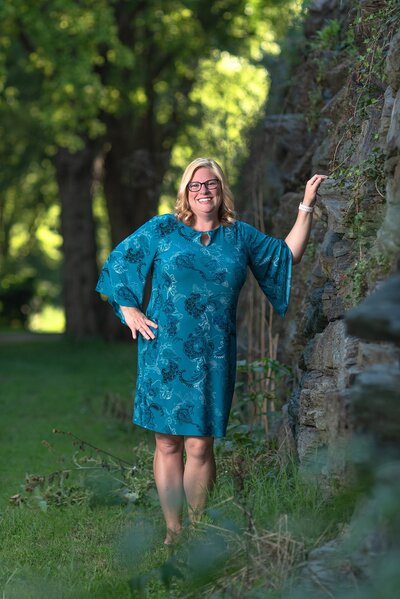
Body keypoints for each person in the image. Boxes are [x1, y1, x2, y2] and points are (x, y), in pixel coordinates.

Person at [96, 157, 327, 544]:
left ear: (222, 190)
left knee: (200, 443)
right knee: (167, 441)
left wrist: (306, 205)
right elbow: (120, 264)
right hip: (164, 351)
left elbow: (287, 256)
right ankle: (174, 532)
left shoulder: (240, 237)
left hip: (213, 354)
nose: (204, 191)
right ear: (186, 192)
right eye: (196, 185)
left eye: (211, 184)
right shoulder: (163, 229)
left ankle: (200, 531)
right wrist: (129, 308)